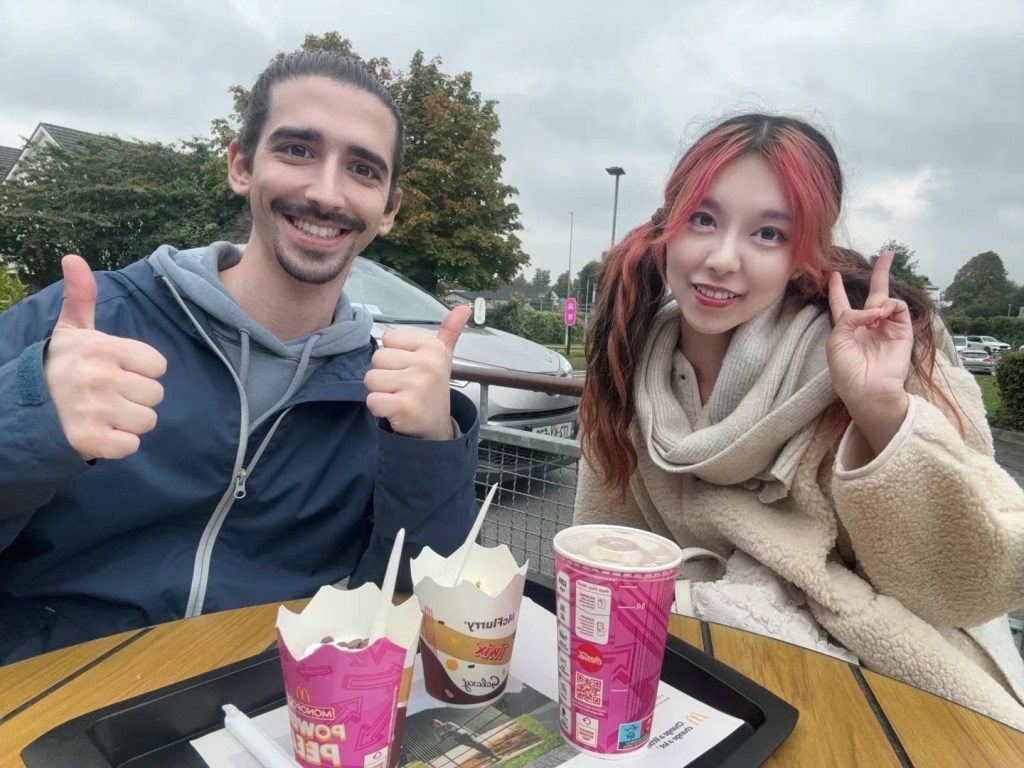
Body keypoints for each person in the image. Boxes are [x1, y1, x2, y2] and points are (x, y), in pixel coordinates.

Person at [0, 51, 480, 663]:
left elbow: (411, 612)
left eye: (362, 169)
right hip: (47, 704)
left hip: (278, 716)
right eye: (297, 151)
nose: (326, 193)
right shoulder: (83, 327)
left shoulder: (383, 394)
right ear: (241, 166)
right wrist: (31, 423)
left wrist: (432, 445)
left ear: (388, 209)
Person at [575, 113, 1024, 728]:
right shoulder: (629, 357)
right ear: (668, 228)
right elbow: (608, 549)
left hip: (897, 696)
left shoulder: (894, 348)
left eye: (767, 234)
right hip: (690, 678)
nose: (723, 259)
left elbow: (975, 579)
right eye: (702, 220)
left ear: (805, 254)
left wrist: (881, 414)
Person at [431, 718, 499, 761]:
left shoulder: (448, 723)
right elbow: (440, 739)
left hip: (464, 735)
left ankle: (494, 755)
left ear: (440, 720)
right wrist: (441, 736)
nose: (438, 723)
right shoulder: (439, 731)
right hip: (458, 739)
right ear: (435, 726)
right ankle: (491, 756)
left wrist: (446, 733)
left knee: (477, 743)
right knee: (475, 747)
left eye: (437, 722)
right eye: (436, 724)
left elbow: (456, 728)